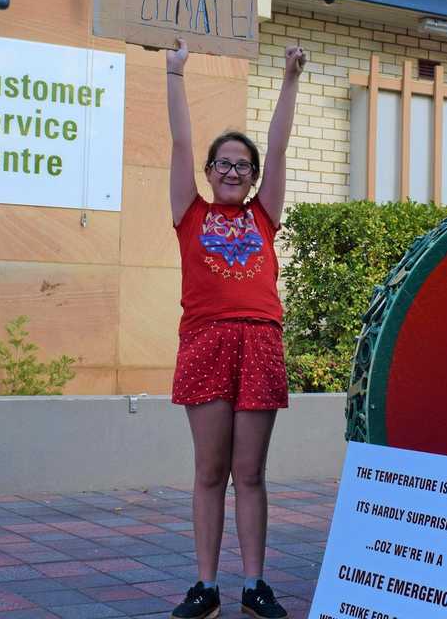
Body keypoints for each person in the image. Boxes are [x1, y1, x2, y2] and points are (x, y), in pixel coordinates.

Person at [165, 37, 306, 619]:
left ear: (251, 178)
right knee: (209, 472)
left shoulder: (263, 213)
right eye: (222, 163)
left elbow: (278, 148)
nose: (232, 170)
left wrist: (290, 81)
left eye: (241, 166)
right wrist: (174, 73)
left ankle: (253, 584)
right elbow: (179, 141)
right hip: (205, 340)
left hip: (259, 342)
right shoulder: (190, 213)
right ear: (208, 171)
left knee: (250, 473)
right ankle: (205, 588)